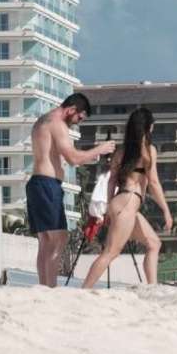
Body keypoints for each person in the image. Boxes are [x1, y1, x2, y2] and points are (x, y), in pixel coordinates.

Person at [28, 93, 115, 286]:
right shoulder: (57, 123)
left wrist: (91, 154)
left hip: (38, 183)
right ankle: (50, 286)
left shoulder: (43, 120)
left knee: (46, 240)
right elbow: (73, 159)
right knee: (59, 237)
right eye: (79, 118)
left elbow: (65, 156)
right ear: (71, 110)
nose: (77, 123)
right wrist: (100, 149)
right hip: (46, 184)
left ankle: (45, 286)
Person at [82, 108, 169, 288]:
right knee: (111, 252)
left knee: (154, 243)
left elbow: (111, 180)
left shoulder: (121, 151)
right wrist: (166, 211)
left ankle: (152, 287)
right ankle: (85, 289)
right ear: (148, 127)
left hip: (120, 202)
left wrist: (107, 208)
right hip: (128, 204)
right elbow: (153, 182)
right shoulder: (148, 151)